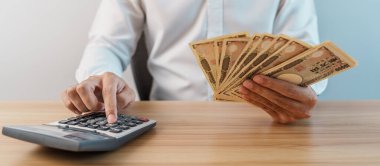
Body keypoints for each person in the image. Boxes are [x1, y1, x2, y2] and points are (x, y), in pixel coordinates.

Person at [61, 0, 328, 124]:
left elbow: (304, 54)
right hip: (169, 126)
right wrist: (99, 77)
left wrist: (305, 91)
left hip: (262, 122)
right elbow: (108, 42)